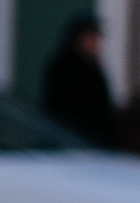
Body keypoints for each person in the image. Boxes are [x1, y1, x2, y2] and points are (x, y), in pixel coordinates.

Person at [36, 13, 118, 146]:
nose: (96, 43)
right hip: (69, 139)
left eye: (96, 38)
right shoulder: (62, 68)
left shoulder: (94, 68)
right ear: (78, 39)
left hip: (94, 140)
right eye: (91, 38)